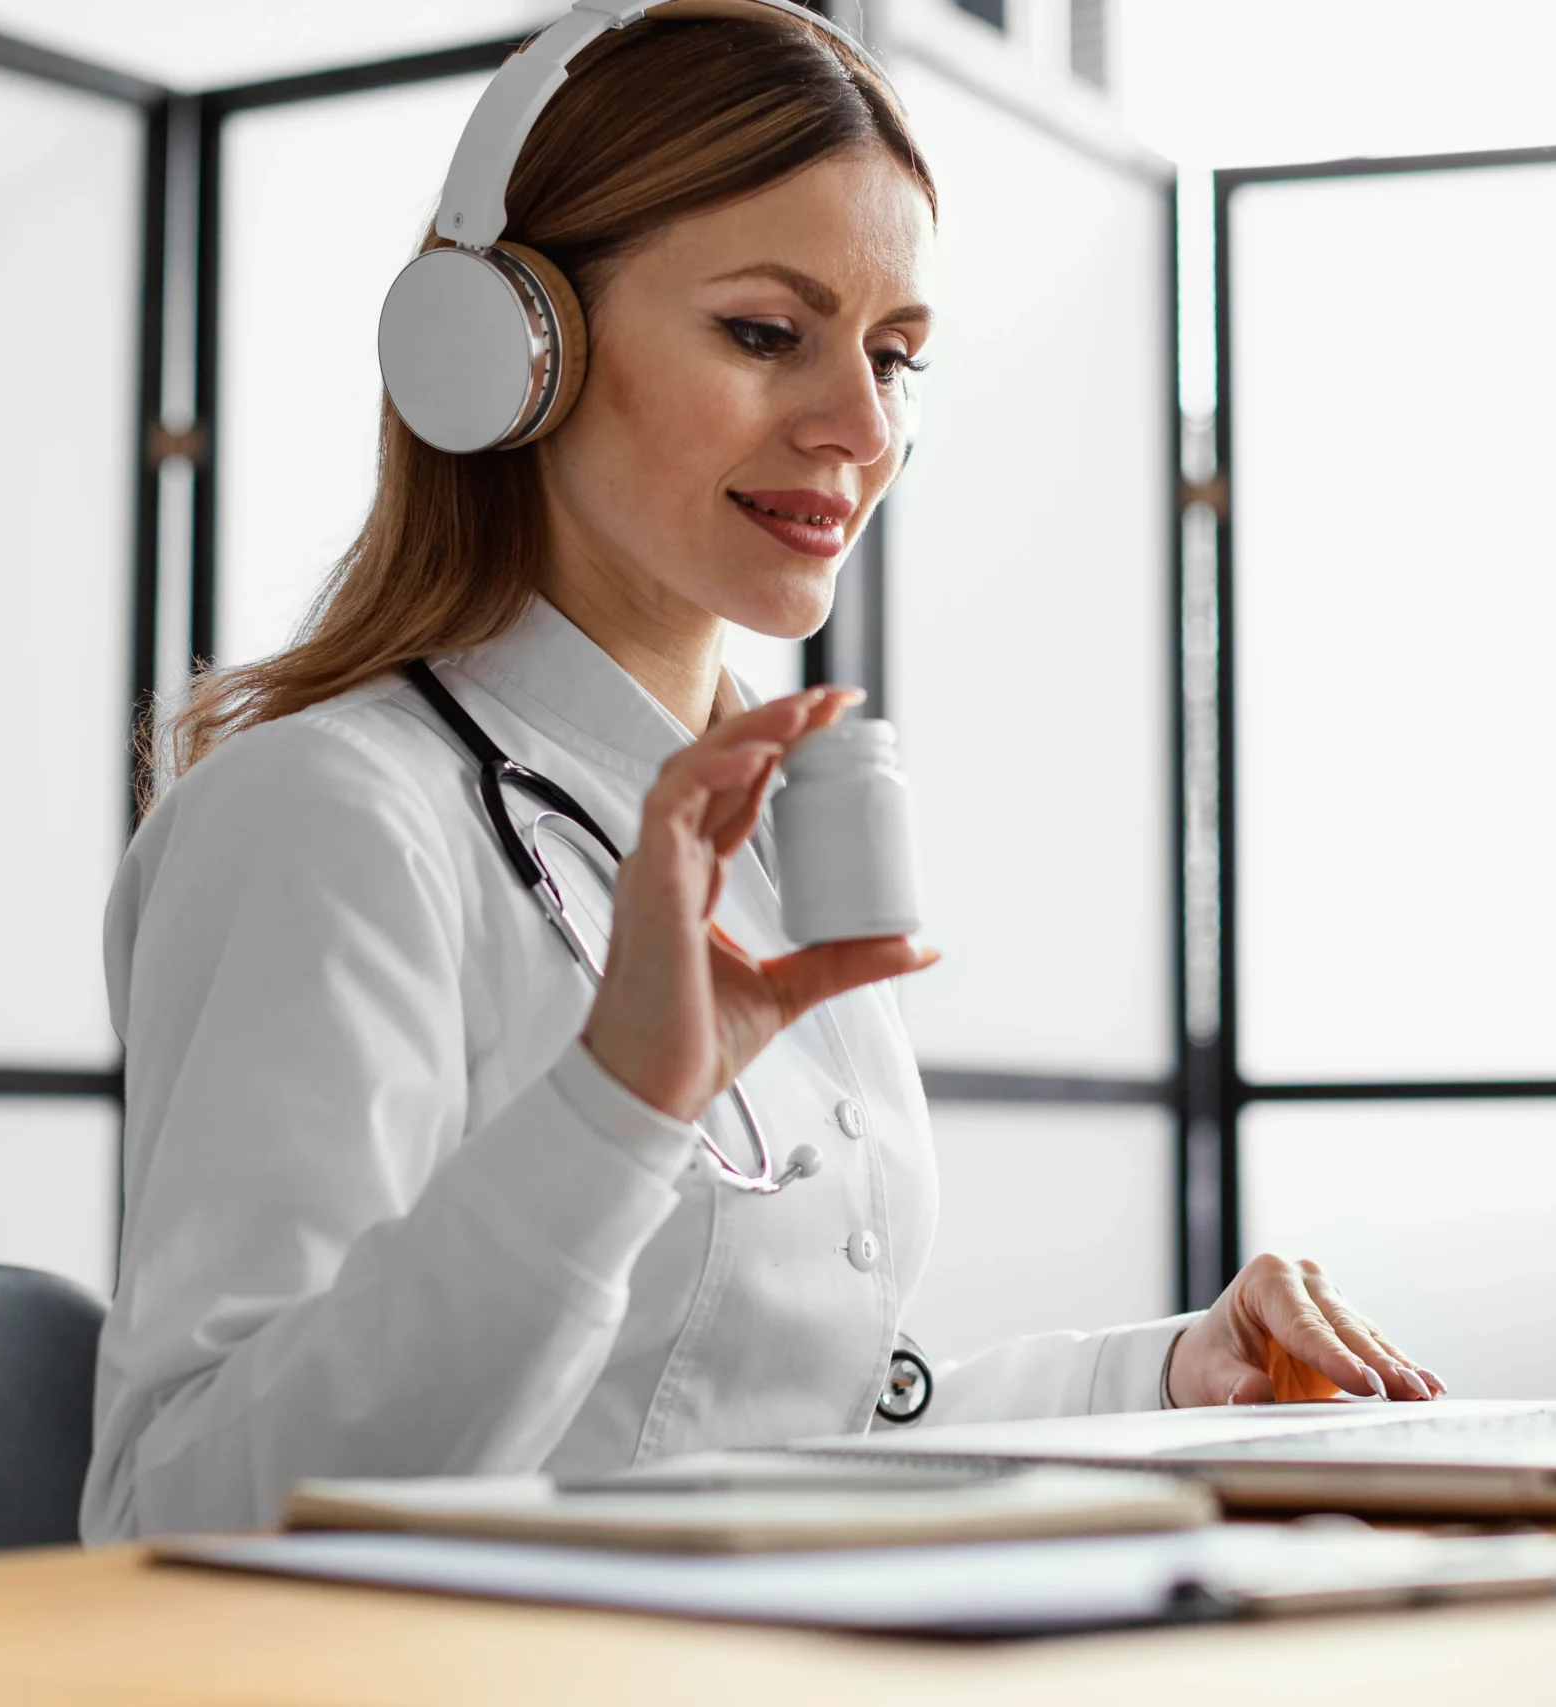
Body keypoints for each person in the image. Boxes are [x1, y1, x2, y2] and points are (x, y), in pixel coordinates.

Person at [81, 3, 1440, 1544]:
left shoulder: (762, 827)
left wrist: (1174, 1375)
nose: (860, 425)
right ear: (511, 349)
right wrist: (614, 1105)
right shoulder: (330, 821)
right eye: (764, 332)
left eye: (895, 353)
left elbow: (799, 1428)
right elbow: (180, 1508)